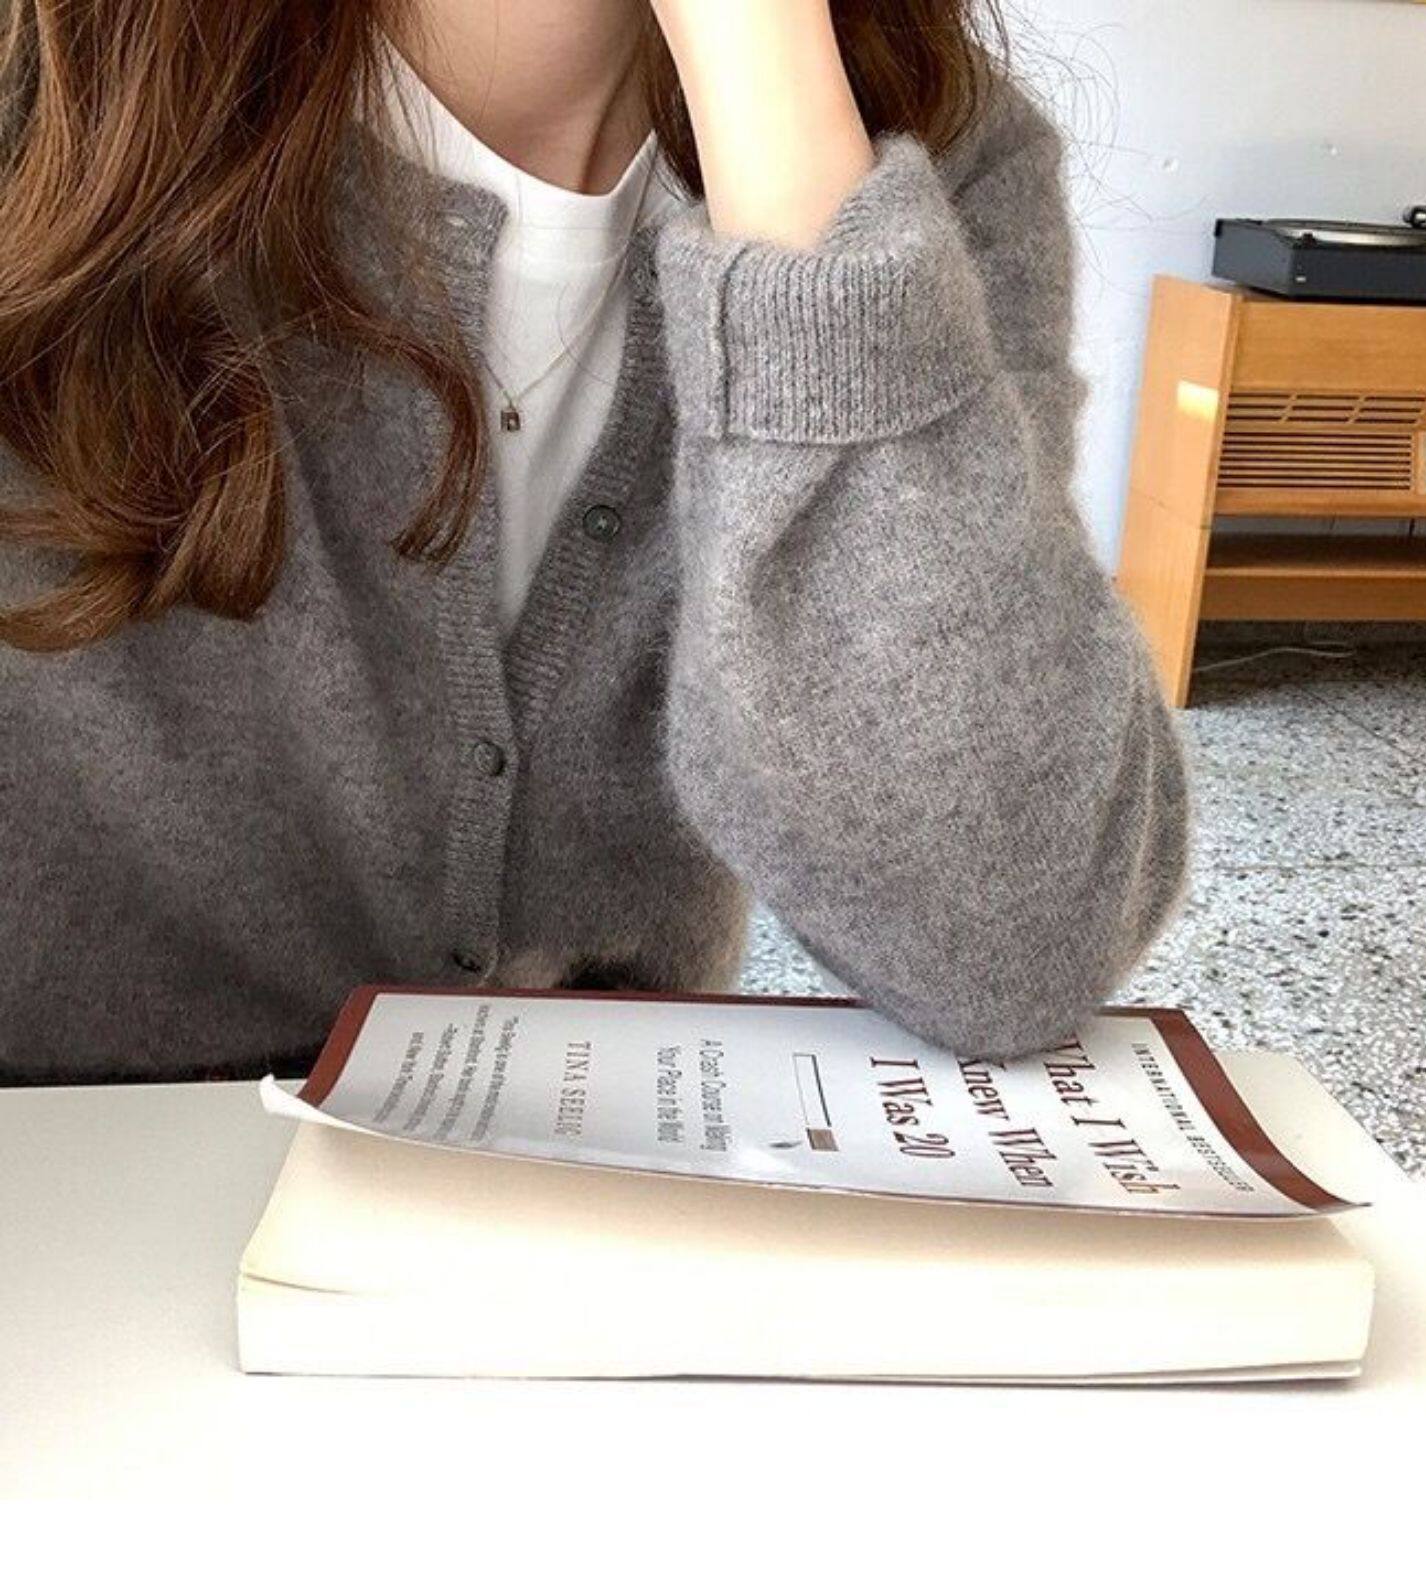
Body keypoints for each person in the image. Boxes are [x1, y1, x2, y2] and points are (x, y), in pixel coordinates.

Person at [0, 0, 1189, 1083]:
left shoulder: (923, 149)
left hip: (610, 1208)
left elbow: (1010, 944)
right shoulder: (36, 99)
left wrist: (776, 101)